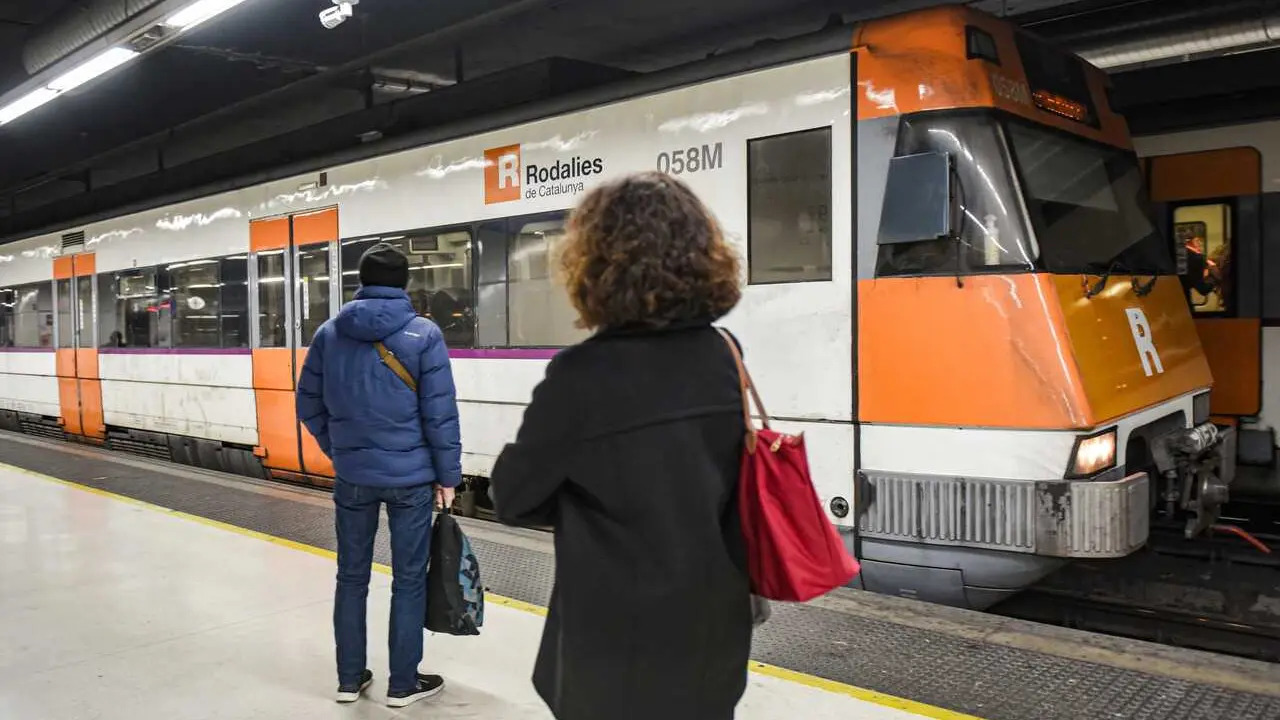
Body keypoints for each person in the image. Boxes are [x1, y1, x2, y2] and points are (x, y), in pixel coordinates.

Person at [489, 171, 753, 720]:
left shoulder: (582, 376)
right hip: (713, 631)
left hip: (613, 643)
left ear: (595, 265)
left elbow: (513, 498)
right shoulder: (724, 354)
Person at [296, 242, 463, 708]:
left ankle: (349, 680)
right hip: (411, 479)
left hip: (353, 477)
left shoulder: (329, 333)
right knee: (409, 579)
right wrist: (448, 475)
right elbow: (440, 414)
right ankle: (402, 684)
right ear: (405, 283)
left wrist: (339, 450)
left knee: (351, 577)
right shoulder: (425, 334)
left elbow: (307, 403)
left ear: (362, 280)